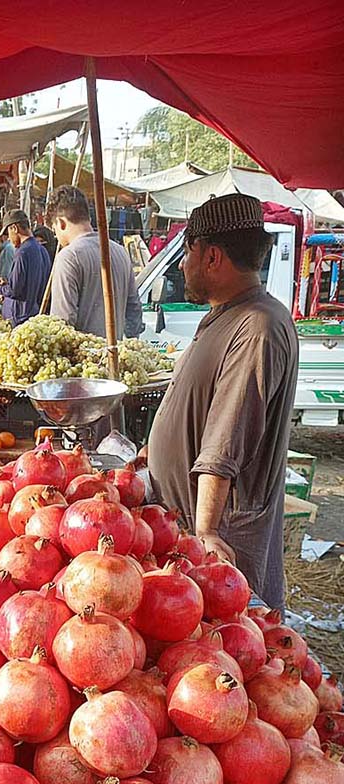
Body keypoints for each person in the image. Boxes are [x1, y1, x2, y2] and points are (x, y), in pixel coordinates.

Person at [145, 193, 298, 610]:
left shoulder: (257, 327)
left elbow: (225, 443)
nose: (181, 265)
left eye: (187, 252)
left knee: (226, 651)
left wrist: (207, 531)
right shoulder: (228, 314)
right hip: (187, 532)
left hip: (219, 547)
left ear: (212, 256)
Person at [47, 185, 143, 338]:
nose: (56, 236)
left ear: (61, 223)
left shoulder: (68, 257)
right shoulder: (120, 252)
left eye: (54, 230)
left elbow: (62, 322)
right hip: (114, 356)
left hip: (81, 359)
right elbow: (134, 311)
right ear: (88, 218)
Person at [0, 209, 51, 325]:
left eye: (8, 233)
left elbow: (15, 291)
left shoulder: (22, 252)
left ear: (14, 228)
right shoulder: (41, 250)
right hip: (32, 314)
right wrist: (6, 282)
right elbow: (29, 284)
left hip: (19, 318)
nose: (9, 239)